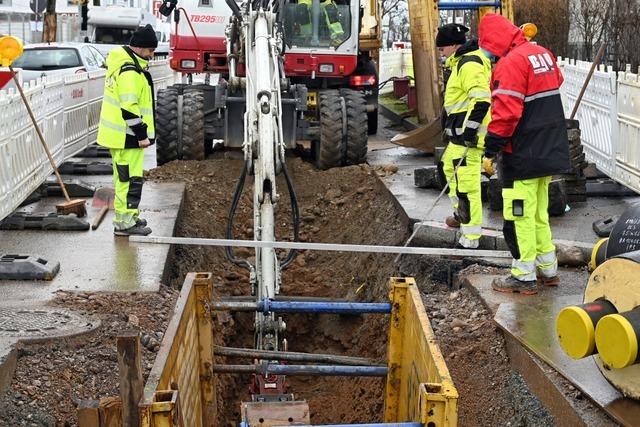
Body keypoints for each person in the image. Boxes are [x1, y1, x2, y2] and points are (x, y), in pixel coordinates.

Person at [479, 14, 570, 294]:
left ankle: (523, 276)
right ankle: (548, 270)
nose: (489, 54)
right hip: (549, 149)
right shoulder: (542, 53)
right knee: (538, 213)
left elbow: (506, 113)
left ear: (495, 42)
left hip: (523, 154)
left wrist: (491, 148)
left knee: (518, 215)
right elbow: (557, 80)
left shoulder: (510, 63)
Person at [97, 24, 157, 236]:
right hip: (127, 136)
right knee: (128, 181)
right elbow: (129, 107)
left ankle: (130, 216)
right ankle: (124, 224)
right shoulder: (129, 71)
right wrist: (141, 135)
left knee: (129, 179)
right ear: (140, 48)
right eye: (150, 51)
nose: (152, 55)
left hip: (123, 136)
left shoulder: (127, 65)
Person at [436, 23, 492, 249]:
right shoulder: (460, 63)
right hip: (459, 136)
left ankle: (470, 238)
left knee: (467, 187)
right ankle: (461, 216)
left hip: (469, 138)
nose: (440, 52)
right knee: (447, 170)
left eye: (442, 48)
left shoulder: (469, 65)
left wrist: (469, 131)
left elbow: (481, 99)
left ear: (452, 45)